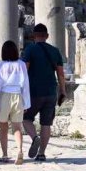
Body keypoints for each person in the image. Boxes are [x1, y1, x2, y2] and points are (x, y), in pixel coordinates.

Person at [21, 23, 67, 161]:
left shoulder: (30, 50)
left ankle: (35, 138)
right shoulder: (55, 51)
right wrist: (62, 90)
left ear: (34, 36)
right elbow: (60, 73)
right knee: (46, 124)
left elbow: (24, 70)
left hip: (33, 92)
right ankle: (41, 154)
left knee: (25, 118)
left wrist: (21, 91)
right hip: (51, 92)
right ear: (47, 36)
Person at [0, 40, 31, 164]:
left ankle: (5, 154)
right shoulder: (21, 65)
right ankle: (19, 150)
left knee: (3, 127)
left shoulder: (0, 66)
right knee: (17, 127)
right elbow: (25, 84)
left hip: (4, 96)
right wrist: (26, 103)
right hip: (18, 96)